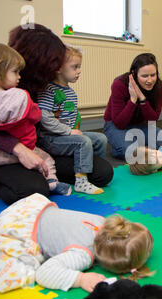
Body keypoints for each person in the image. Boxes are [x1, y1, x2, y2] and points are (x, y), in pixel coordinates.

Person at [0, 24, 113, 204]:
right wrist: (18, 150)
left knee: (103, 173)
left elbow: (43, 115)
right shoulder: (4, 79)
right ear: (38, 61)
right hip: (6, 152)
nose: (56, 68)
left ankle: (47, 176)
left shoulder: (44, 83)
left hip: (42, 146)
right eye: (53, 63)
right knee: (34, 191)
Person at [0, 193, 154, 293]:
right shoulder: (82, 254)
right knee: (19, 274)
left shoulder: (104, 222)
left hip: (25, 211)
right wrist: (80, 279)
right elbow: (44, 273)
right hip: (16, 232)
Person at [0, 42, 71, 203]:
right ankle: (52, 181)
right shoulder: (20, 96)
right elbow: (35, 116)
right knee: (46, 162)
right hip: (26, 148)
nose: (19, 76)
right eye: (16, 72)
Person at [37, 45, 108, 195]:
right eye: (74, 67)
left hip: (66, 136)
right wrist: (69, 131)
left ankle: (90, 171)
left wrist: (73, 129)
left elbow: (71, 116)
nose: (79, 71)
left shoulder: (70, 92)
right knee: (83, 142)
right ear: (58, 69)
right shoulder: (50, 90)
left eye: (79, 67)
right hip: (51, 139)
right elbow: (44, 118)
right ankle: (81, 182)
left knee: (100, 138)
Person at [103, 53, 162, 160]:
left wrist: (142, 99)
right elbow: (119, 123)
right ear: (134, 73)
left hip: (140, 125)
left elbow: (153, 119)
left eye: (153, 75)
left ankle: (139, 145)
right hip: (115, 125)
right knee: (128, 151)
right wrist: (133, 99)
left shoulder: (160, 87)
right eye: (144, 76)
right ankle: (128, 146)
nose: (150, 80)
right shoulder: (119, 84)